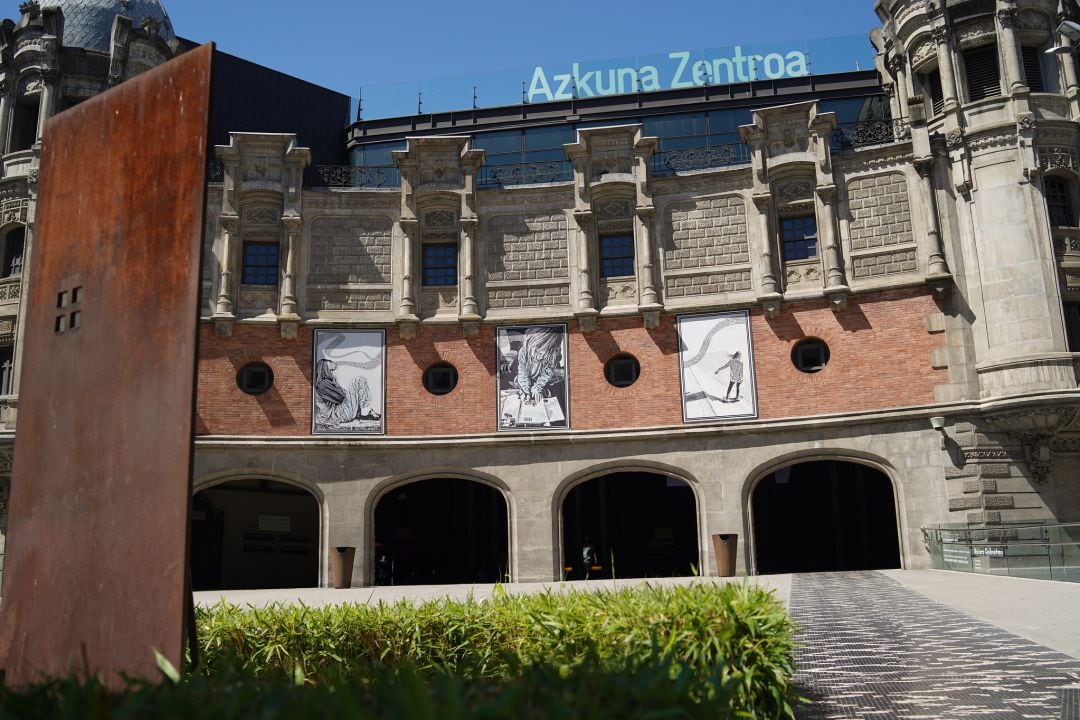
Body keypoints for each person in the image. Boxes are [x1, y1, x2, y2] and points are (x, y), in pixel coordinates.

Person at [314, 358, 381, 427]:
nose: (333, 373)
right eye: (331, 370)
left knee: (358, 382)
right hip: (338, 414)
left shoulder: (324, 383)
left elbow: (341, 396)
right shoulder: (324, 384)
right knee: (358, 380)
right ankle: (366, 411)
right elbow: (341, 398)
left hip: (339, 412)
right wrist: (346, 391)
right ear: (325, 369)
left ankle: (366, 411)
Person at [513, 327, 563, 404]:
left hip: (544, 380)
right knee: (521, 385)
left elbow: (546, 375)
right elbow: (523, 373)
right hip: (528, 378)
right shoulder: (523, 352)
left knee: (550, 390)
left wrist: (537, 388)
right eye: (537, 352)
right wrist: (526, 391)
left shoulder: (552, 356)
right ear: (529, 343)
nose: (541, 356)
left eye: (545, 354)